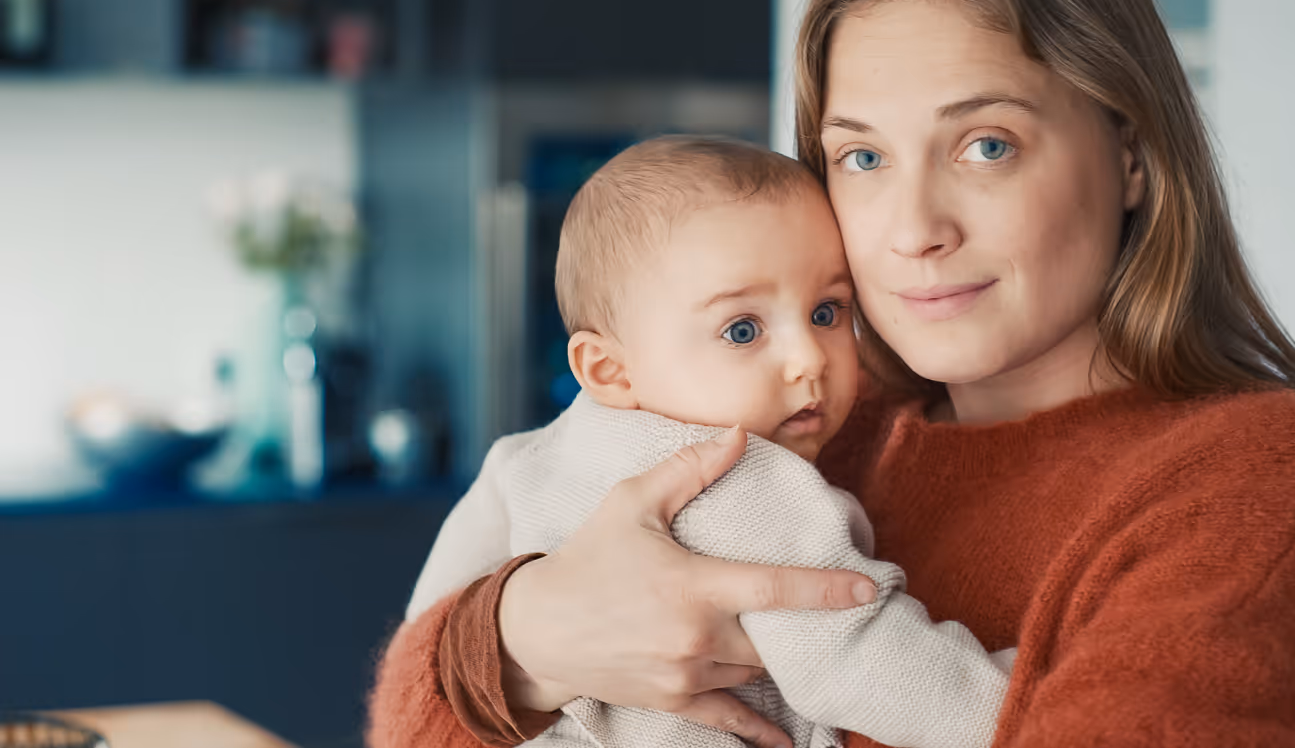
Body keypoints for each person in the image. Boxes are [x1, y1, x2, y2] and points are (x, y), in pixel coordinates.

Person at [368, 0, 1295, 748]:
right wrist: (527, 637)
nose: (913, 229)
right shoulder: (809, 427)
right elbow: (400, 728)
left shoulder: (1246, 484)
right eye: (862, 157)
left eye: (985, 145)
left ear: (1128, 153)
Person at [405, 136, 1015, 748]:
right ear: (609, 370)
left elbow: (429, 638)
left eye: (827, 313)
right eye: (742, 329)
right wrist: (1013, 694)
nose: (807, 358)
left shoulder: (521, 461)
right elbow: (858, 661)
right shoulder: (746, 480)